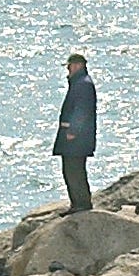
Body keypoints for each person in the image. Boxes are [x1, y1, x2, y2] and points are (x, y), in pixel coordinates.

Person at [53, 52, 97, 214]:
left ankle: (81, 203)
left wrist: (73, 131)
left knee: (74, 170)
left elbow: (81, 110)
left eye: (70, 66)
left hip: (77, 138)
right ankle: (77, 203)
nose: (68, 70)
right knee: (71, 170)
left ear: (78, 65)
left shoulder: (82, 84)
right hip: (76, 137)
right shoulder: (80, 82)